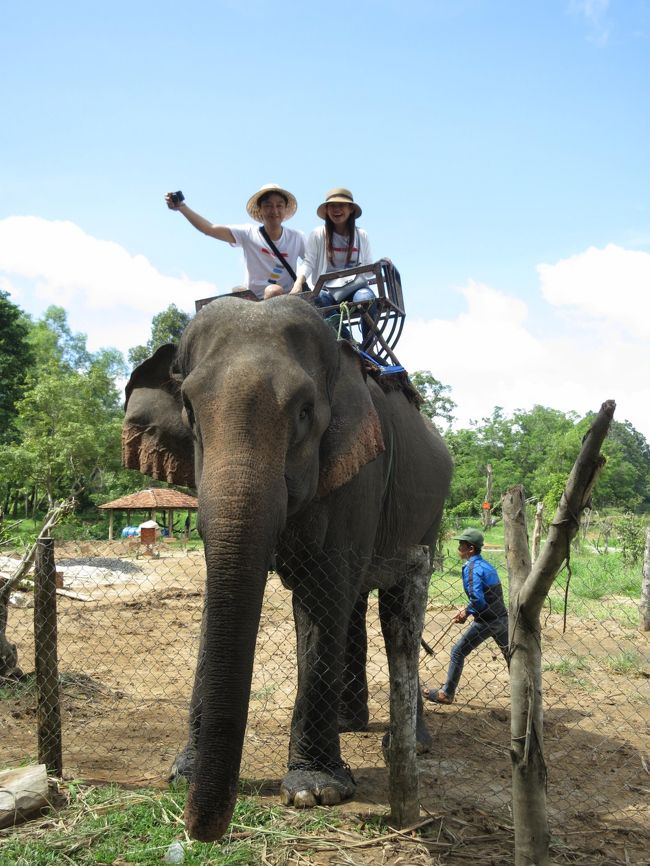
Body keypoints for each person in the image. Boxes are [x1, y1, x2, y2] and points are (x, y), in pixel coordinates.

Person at [165, 184, 305, 300]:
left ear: (285, 209)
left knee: (274, 291)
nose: (274, 210)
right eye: (268, 205)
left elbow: (311, 261)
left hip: (288, 298)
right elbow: (209, 229)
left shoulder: (297, 237)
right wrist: (182, 207)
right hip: (254, 298)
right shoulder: (248, 233)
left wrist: (299, 282)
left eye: (279, 205)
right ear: (260, 210)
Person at [424, 528, 509, 705]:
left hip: (486, 622)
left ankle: (446, 694)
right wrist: (468, 609)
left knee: (457, 652)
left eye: (461, 545)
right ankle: (525, 692)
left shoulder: (471, 567)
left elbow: (478, 601)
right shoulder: (486, 565)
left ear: (470, 549)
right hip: (502, 618)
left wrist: (467, 611)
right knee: (511, 656)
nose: (458, 548)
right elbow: (486, 596)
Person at [290, 188, 377, 340]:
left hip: (356, 288)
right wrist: (299, 282)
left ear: (350, 209)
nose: (336, 210)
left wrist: (380, 266)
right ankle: (349, 343)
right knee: (318, 300)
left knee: (366, 298)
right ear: (327, 210)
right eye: (332, 206)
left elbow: (369, 269)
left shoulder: (360, 235)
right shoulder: (318, 234)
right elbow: (308, 261)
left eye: (341, 205)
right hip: (328, 290)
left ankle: (369, 345)